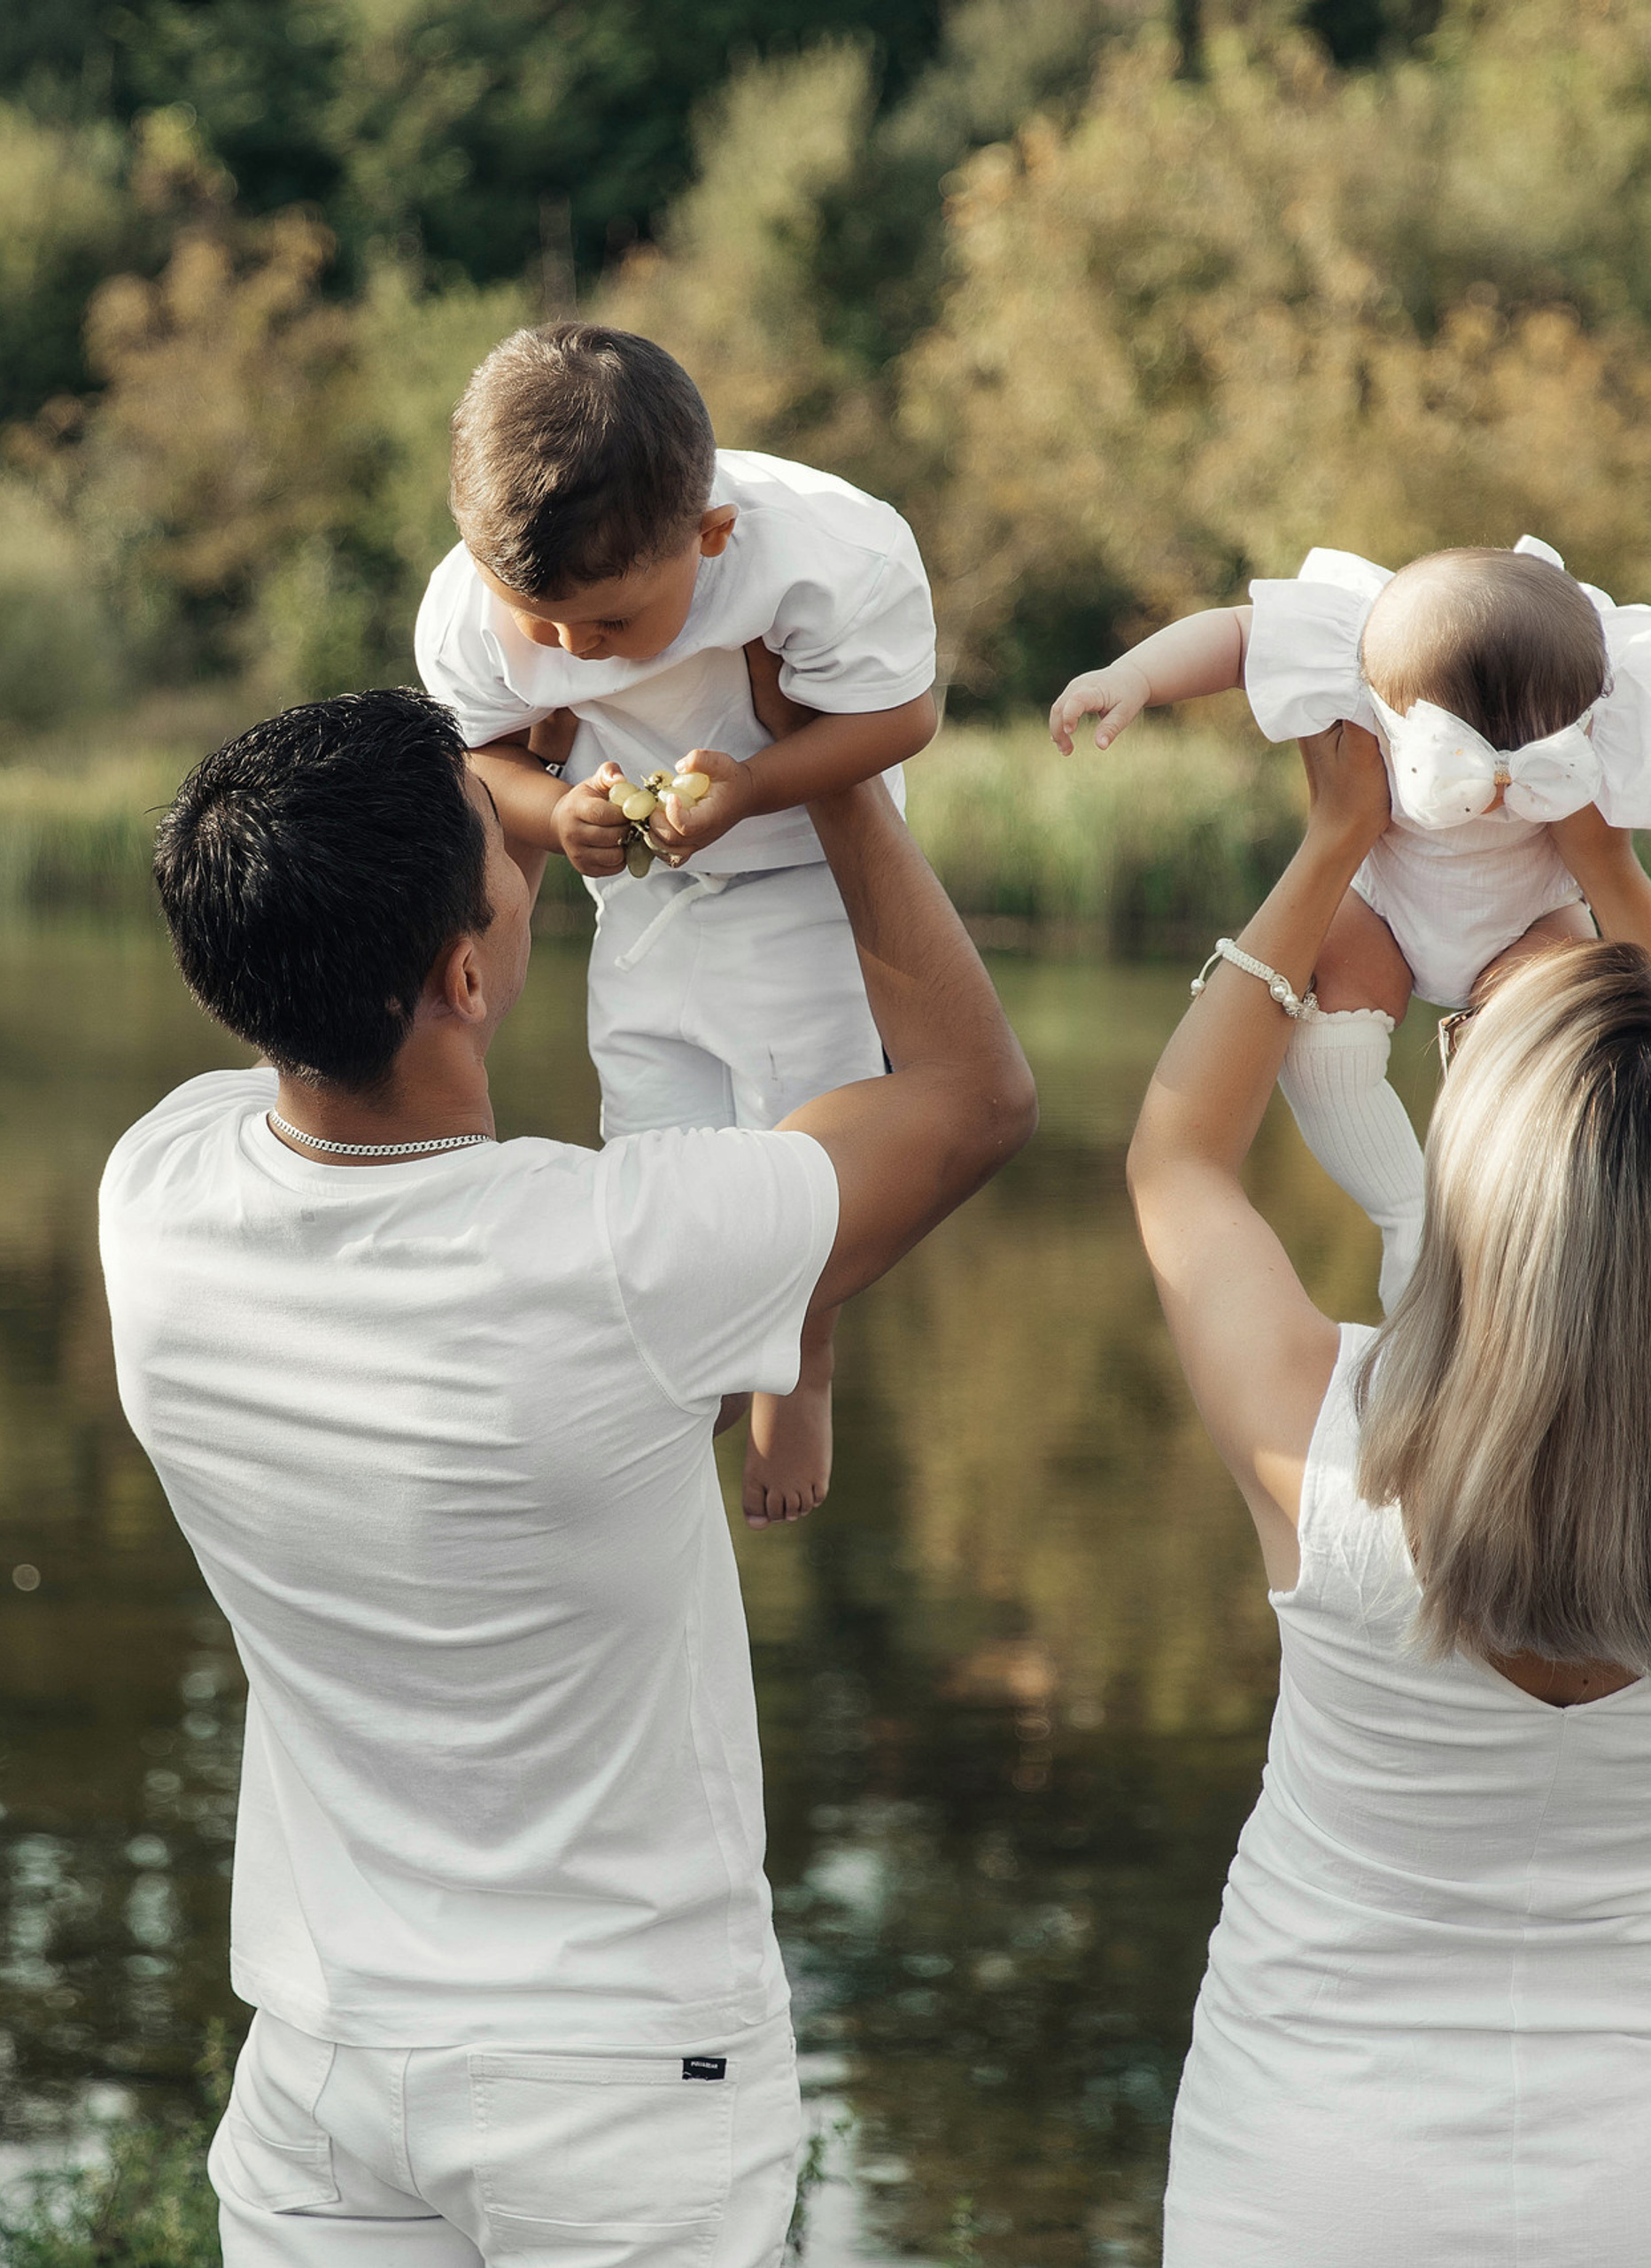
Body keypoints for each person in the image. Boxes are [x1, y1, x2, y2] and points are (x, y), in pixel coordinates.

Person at [101, 687, 1033, 2264]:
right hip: (620, 2091)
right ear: (467, 973)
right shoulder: (620, 1257)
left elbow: (361, 1003)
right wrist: (833, 766)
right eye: (507, 843)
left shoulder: (157, 1196)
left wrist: (506, 755)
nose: (529, 837)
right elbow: (973, 1099)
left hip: (323, 2073)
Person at [1128, 717, 1651, 2266]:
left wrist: (1335, 844)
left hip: (1310, 2177)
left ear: (1474, 1168)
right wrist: (1602, 864)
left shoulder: (1329, 1439)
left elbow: (1177, 1157)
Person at [414, 322, 942, 1525]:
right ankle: (675, 1367)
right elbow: (482, 760)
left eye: (607, 625)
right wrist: (554, 813)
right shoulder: (468, 609)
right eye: (537, 621)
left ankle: (801, 1362)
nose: (572, 652)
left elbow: (901, 718)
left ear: (709, 538)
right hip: (645, 895)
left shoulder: (824, 554)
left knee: (805, 1148)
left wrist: (755, 785)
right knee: (654, 1144)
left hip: (805, 874)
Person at [1052, 538, 1651, 1311]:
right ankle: (1407, 1213)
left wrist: (1607, 860)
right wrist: (1133, 676)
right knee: (1323, 1022)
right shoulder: (1364, 654)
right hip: (1382, 903)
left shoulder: (1611, 681)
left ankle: (1506, 1227)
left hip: (1534, 915)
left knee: (1560, 1029)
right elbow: (1237, 637)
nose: (1502, 783)